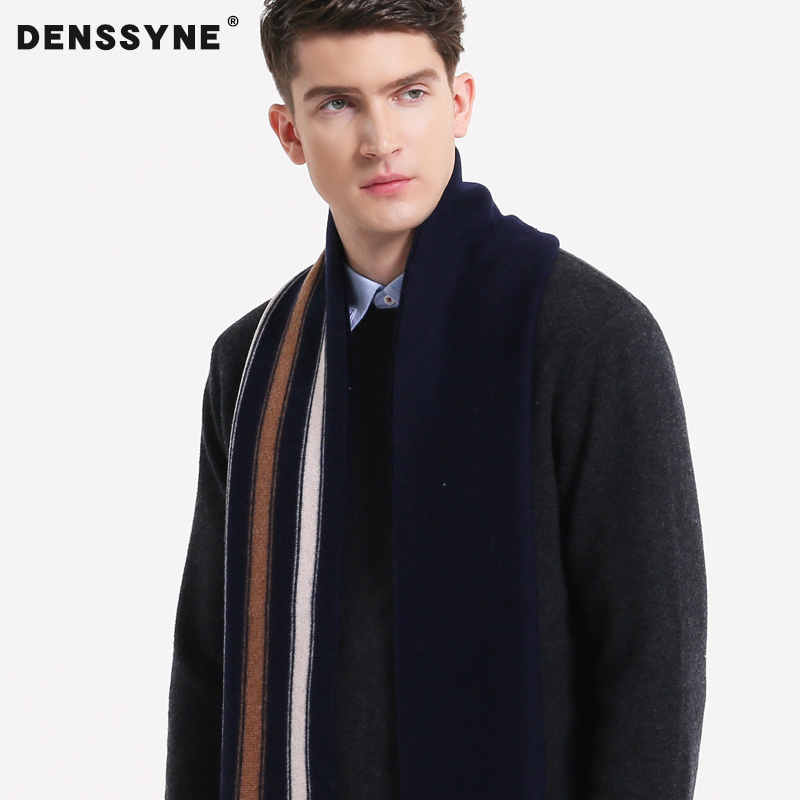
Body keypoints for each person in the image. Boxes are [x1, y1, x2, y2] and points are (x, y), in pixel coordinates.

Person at [165, 2, 707, 799]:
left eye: (410, 93)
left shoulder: (588, 335)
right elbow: (209, 663)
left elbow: (653, 663)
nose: (380, 140)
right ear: (289, 132)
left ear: (460, 103)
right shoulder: (253, 363)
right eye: (338, 103)